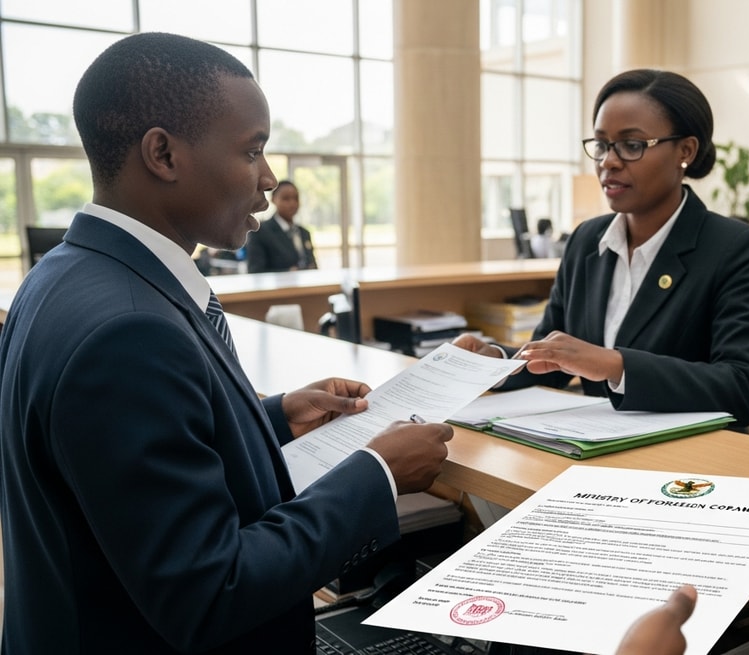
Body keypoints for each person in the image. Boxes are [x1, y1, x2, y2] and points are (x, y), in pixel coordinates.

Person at [0, 33, 455, 653]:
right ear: (163, 154)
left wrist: (270, 419)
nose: (269, 178)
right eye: (252, 150)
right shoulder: (129, 334)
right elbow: (211, 590)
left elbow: (128, 462)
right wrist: (377, 474)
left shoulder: (62, 273)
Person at [454, 69, 749, 427]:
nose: (608, 161)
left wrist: (616, 366)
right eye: (602, 145)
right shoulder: (586, 240)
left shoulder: (734, 248)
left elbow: (746, 386)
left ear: (685, 150)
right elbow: (553, 360)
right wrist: (495, 362)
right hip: (591, 443)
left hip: (686, 452)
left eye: (632, 145)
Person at [245, 179, 318, 272]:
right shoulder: (260, 232)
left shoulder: (304, 233)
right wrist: (287, 272)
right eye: (286, 199)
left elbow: (313, 265)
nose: (292, 203)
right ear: (273, 199)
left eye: (296, 198)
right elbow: (255, 270)